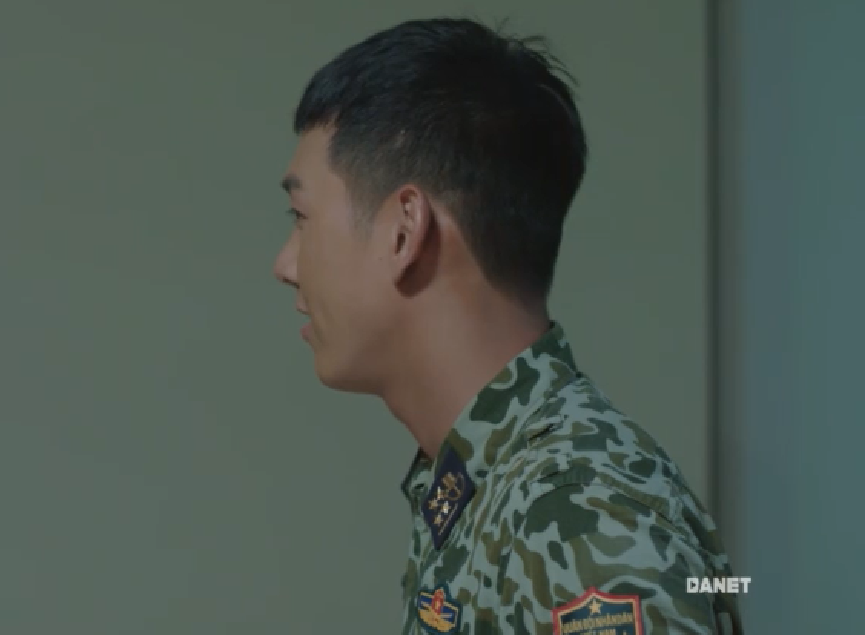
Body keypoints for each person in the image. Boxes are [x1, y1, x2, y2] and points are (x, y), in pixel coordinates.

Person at [272, 17, 744, 635]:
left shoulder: (581, 515)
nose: (286, 265)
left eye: (301, 217)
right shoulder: (495, 487)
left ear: (404, 231)